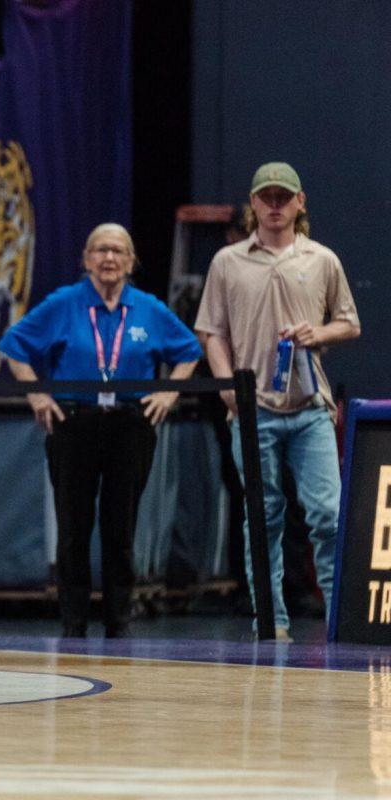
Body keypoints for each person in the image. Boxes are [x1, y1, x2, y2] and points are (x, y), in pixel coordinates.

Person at [0, 223, 202, 638]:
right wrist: (37, 396)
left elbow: (189, 351)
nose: (109, 258)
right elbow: (13, 346)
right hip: (74, 422)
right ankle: (73, 623)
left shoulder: (148, 308)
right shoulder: (65, 303)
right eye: (100, 250)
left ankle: (119, 622)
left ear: (131, 262)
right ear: (86, 259)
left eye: (118, 251)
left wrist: (168, 393)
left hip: (130, 424)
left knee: (121, 526)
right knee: (73, 527)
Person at [195, 163, 361, 641]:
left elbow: (349, 322)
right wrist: (229, 389)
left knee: (328, 513)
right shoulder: (228, 261)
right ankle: (272, 621)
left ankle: (337, 616)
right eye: (265, 197)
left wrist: (319, 331)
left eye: (282, 198)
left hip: (310, 406)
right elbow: (212, 331)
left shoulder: (321, 258)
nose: (274, 205)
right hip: (254, 411)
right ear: (253, 203)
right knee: (261, 517)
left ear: (299, 202)